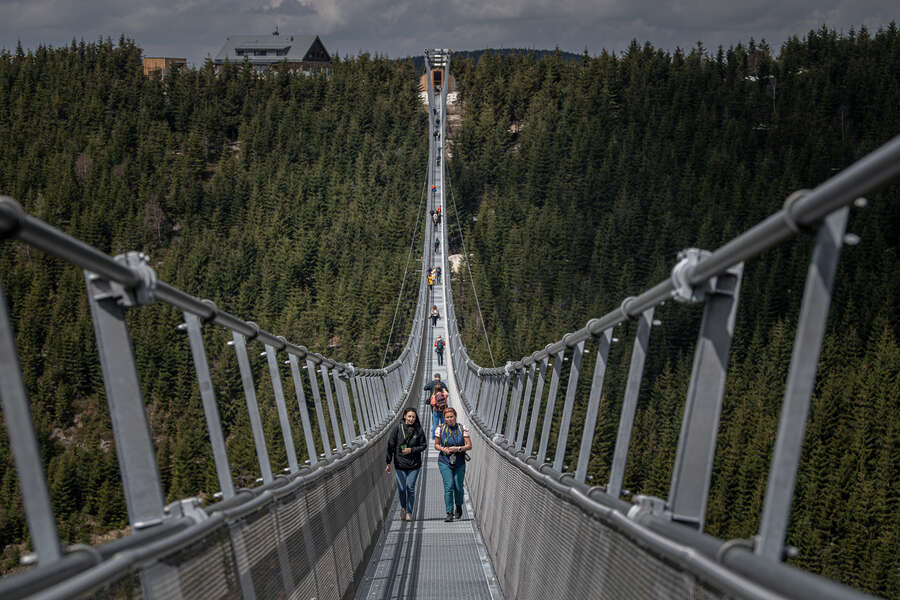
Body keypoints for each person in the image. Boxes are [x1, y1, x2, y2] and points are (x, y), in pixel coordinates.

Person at [385, 407, 427, 521]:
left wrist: (411, 450)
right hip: (400, 463)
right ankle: (403, 507)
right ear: (404, 416)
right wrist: (388, 462)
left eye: (413, 417)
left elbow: (424, 445)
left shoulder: (418, 429)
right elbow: (390, 445)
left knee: (410, 487)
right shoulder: (397, 428)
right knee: (402, 488)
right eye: (409, 416)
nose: (411, 419)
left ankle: (409, 512)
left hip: (414, 464)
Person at [434, 407, 472, 521]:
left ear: (455, 416)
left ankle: (459, 506)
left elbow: (469, 445)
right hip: (444, 461)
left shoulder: (462, 428)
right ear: (444, 418)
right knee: (449, 485)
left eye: (451, 417)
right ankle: (449, 513)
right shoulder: (440, 429)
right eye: (447, 417)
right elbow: (436, 445)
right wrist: (443, 449)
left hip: (459, 461)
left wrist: (458, 448)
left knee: (458, 487)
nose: (450, 419)